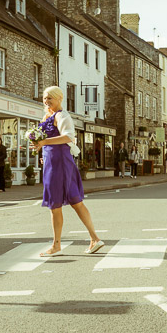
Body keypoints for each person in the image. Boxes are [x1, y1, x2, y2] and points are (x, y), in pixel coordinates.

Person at [31, 86, 104, 256]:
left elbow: (68, 137)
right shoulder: (46, 116)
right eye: (44, 98)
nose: (46, 101)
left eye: (50, 98)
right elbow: (46, 142)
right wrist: (41, 151)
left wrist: (44, 143)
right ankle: (94, 239)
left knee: (62, 203)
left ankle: (59, 246)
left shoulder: (62, 116)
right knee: (68, 202)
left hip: (60, 163)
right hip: (52, 162)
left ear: (59, 99)